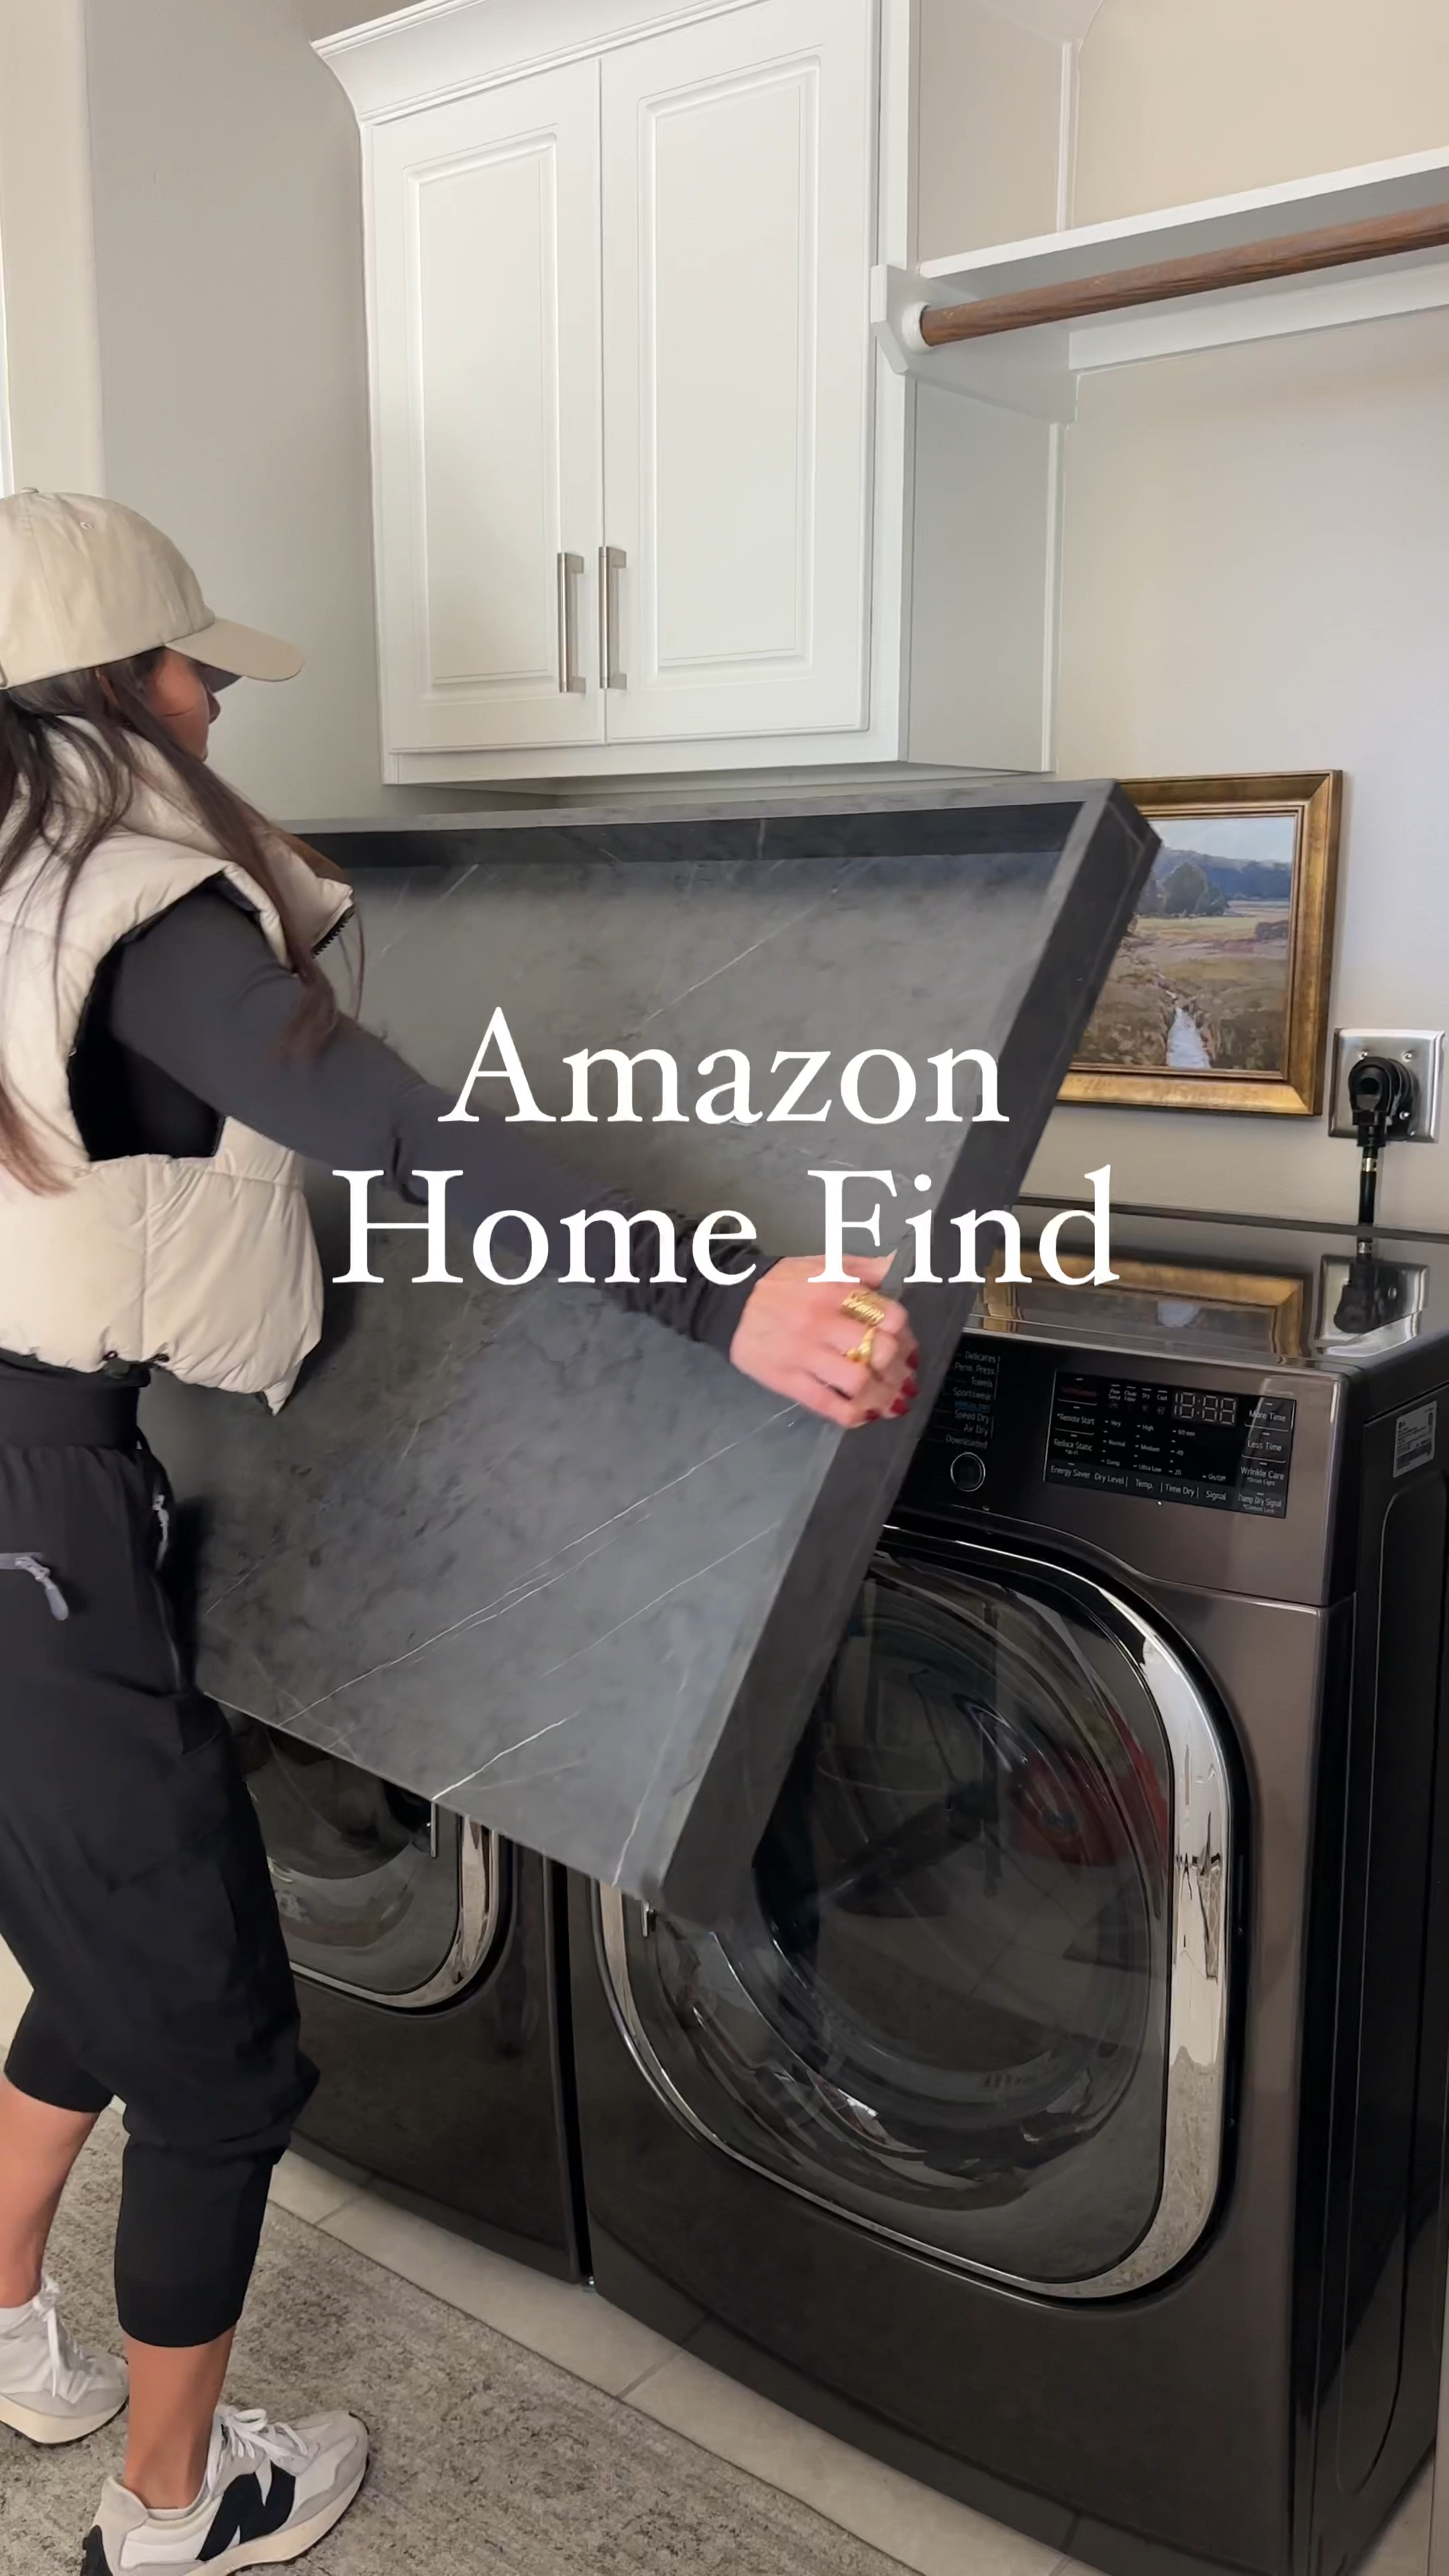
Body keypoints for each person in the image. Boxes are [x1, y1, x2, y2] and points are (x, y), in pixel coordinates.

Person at [0, 490, 918, 2575]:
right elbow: (398, 1126)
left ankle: (8, 2326)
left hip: (38, 1499)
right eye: (200, 666)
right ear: (121, 689)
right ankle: (172, 2510)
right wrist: (731, 1294)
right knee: (225, 2064)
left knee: (108, 1929)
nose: (222, 696)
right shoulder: (136, 907)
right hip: (31, 1523)